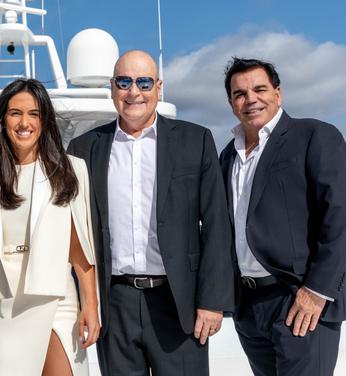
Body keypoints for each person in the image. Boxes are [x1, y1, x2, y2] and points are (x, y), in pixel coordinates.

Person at [67, 50, 234, 376]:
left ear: (159, 87)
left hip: (179, 302)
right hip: (114, 303)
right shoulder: (84, 149)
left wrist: (212, 301)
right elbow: (76, 233)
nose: (134, 92)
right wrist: (85, 302)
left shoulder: (195, 140)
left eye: (143, 82)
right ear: (112, 89)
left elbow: (216, 224)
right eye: (124, 82)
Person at [219, 57, 346, 376]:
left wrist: (317, 291)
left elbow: (340, 216)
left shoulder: (314, 136)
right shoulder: (227, 155)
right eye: (240, 93)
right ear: (232, 103)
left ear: (278, 93)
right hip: (248, 306)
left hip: (299, 301)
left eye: (260, 89)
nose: (251, 99)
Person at [0, 78, 100, 376]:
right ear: (3, 120)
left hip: (57, 301)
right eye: (15, 113)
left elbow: (79, 248)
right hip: (1, 306)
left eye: (34, 114)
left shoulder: (71, 170)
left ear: (45, 121)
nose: (24, 122)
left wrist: (90, 307)